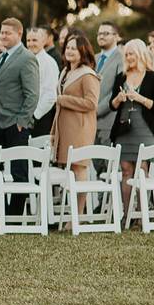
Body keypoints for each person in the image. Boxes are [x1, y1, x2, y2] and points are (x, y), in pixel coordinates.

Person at [0, 17, 40, 215]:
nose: (3, 36)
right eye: (1, 32)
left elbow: (32, 95)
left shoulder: (27, 58)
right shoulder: (1, 57)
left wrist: (21, 121)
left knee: (19, 171)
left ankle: (14, 215)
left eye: (7, 32)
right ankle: (0, 211)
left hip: (15, 124)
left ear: (19, 34)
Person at [110, 40, 154, 215]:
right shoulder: (121, 76)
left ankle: (142, 215)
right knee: (126, 170)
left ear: (140, 54)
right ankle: (127, 215)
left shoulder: (152, 77)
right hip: (123, 129)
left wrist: (138, 97)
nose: (128, 57)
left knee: (141, 170)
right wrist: (119, 98)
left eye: (131, 54)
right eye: (126, 54)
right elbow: (112, 105)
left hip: (145, 130)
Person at [51, 33, 100, 222]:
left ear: (83, 51)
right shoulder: (65, 72)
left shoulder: (88, 74)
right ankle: (71, 215)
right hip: (65, 127)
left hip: (80, 128)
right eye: (67, 47)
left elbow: (92, 103)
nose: (69, 51)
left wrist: (64, 100)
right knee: (70, 170)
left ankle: (77, 216)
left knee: (79, 169)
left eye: (74, 48)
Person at [95, 21, 124, 148]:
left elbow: (118, 90)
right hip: (89, 122)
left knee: (109, 165)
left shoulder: (122, 58)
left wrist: (97, 110)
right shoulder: (93, 59)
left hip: (110, 121)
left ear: (116, 36)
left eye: (106, 33)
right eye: (99, 33)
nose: (101, 36)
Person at [26, 27, 59, 138]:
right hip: (23, 118)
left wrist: (34, 116)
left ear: (43, 41)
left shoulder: (49, 63)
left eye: (34, 40)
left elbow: (51, 95)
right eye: (28, 40)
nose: (31, 44)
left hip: (39, 119)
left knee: (36, 153)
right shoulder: (26, 60)